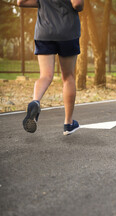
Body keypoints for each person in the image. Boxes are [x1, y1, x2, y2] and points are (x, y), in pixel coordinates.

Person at [18, 0, 84, 135]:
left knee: (45, 75)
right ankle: (68, 123)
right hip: (67, 32)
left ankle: (35, 101)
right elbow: (77, 4)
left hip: (44, 32)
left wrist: (46, 4)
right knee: (68, 77)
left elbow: (21, 1)